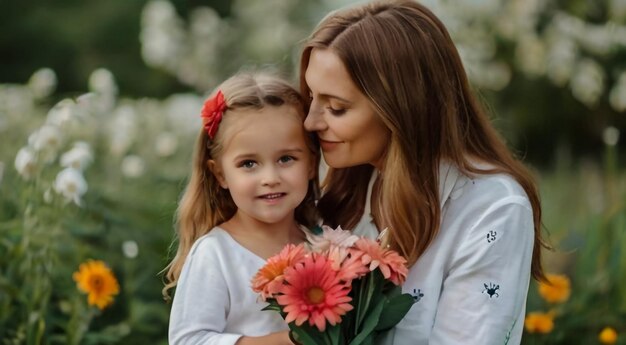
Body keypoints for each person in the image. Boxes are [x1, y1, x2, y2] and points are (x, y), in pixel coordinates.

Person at [299, 0, 547, 344]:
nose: (310, 122)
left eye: (337, 108)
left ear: (401, 108)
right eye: (311, 97)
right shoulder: (351, 189)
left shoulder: (491, 210)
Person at [164, 72, 319, 345]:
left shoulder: (322, 244)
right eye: (248, 163)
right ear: (220, 174)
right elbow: (189, 340)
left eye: (286, 158)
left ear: (310, 164)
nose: (270, 177)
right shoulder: (216, 254)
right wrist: (286, 341)